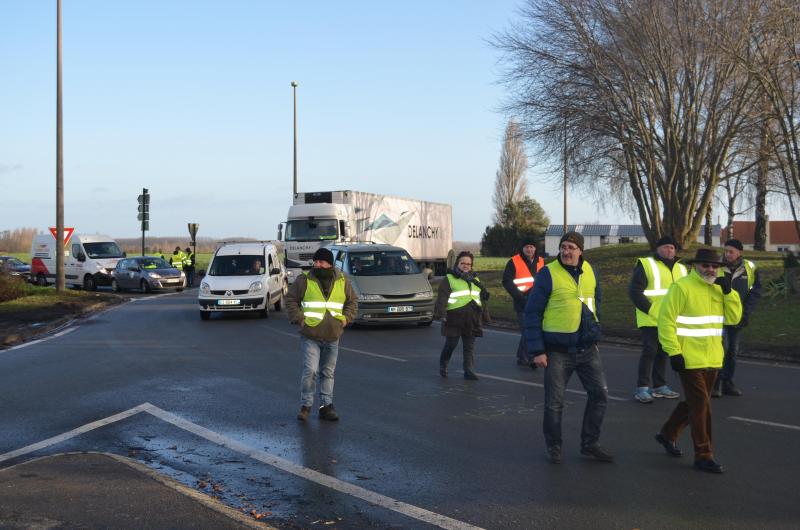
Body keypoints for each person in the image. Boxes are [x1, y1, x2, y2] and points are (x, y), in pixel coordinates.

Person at [524, 231, 613, 464]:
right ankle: (554, 446)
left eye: (571, 247)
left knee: (600, 395)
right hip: (556, 351)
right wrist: (537, 350)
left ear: (580, 250)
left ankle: (590, 443)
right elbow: (532, 313)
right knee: (554, 402)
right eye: (563, 247)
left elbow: (597, 304)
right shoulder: (548, 273)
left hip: (587, 348)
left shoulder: (591, 272)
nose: (566, 251)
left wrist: (595, 333)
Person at [655, 248, 742, 473]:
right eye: (706, 265)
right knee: (702, 405)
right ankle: (704, 455)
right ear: (695, 266)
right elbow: (666, 321)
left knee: (694, 404)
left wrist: (729, 293)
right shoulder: (681, 287)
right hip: (688, 358)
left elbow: (734, 319)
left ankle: (667, 434)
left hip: (713, 358)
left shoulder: (719, 289)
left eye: (714, 266)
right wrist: (673, 352)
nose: (711, 269)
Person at [286, 248, 357, 422]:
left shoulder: (342, 280)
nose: (317, 264)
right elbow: (291, 300)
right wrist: (299, 318)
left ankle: (326, 406)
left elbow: (352, 301)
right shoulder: (305, 280)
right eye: (315, 261)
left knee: (328, 373)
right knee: (310, 371)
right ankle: (306, 406)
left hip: (333, 335)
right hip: (311, 334)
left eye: (321, 262)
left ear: (330, 264)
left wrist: (345, 319)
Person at [629, 236, 686, 403]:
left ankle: (660, 386)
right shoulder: (647, 264)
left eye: (672, 248)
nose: (669, 250)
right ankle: (642, 388)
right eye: (665, 247)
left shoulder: (681, 269)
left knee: (663, 352)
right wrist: (651, 310)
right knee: (650, 352)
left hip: (671, 319)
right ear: (658, 249)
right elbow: (635, 292)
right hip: (650, 318)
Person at [712, 238, 761, 398]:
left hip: (738, 316)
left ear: (740, 252)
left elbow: (755, 292)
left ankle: (727, 381)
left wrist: (745, 314)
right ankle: (716, 382)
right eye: (725, 251)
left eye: (731, 251)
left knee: (733, 350)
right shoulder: (715, 265)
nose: (727, 254)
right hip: (718, 316)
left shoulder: (750, 268)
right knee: (720, 350)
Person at [433, 251, 490, 380]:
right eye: (463, 263)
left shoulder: (476, 280)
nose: (466, 266)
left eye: (468, 264)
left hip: (472, 318)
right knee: (451, 345)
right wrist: (441, 314)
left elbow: (481, 299)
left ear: (471, 266)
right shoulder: (449, 279)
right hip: (453, 319)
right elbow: (442, 298)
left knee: (469, 347)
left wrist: (485, 316)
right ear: (457, 264)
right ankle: (443, 364)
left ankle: (468, 370)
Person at [502, 238, 545, 368]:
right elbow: (506, 281)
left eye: (531, 247)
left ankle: (522, 356)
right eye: (526, 247)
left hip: (537, 301)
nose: (529, 249)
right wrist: (519, 297)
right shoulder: (514, 261)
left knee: (532, 329)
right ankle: (530, 357)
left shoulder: (541, 261)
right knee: (527, 330)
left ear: (535, 248)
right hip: (522, 301)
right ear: (522, 248)